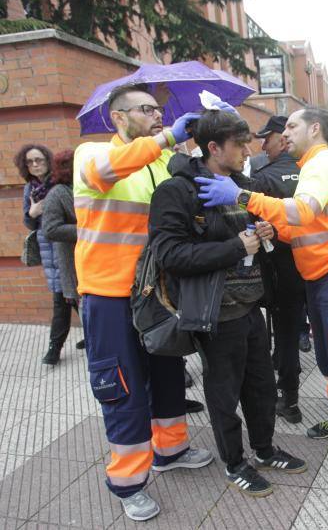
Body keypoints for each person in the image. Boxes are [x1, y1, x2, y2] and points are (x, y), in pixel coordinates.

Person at [195, 108, 328, 489]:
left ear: (314, 128)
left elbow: (304, 211)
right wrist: (277, 229)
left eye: (291, 126)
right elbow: (305, 224)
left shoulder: (321, 165)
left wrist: (242, 195)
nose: (284, 133)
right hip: (322, 281)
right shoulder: (310, 167)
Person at [73, 82, 212, 521]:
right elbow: (107, 171)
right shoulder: (92, 155)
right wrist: (167, 138)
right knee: (124, 387)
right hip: (108, 295)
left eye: (160, 110)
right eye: (147, 109)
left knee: (168, 370)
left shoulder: (161, 163)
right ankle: (128, 482)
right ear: (118, 117)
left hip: (154, 292)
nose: (158, 115)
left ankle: (171, 449)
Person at [150, 109, 306, 497]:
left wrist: (265, 235)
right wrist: (234, 246)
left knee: (262, 387)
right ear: (213, 147)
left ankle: (265, 450)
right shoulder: (177, 191)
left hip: (253, 306)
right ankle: (235, 463)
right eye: (238, 145)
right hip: (215, 312)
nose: (246, 150)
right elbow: (171, 254)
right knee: (224, 393)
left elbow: (260, 236)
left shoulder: (243, 183)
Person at [251, 115, 306, 423]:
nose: (262, 145)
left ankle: (290, 399)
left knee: (284, 334)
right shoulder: (311, 172)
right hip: (315, 265)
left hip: (280, 270)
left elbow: (255, 225)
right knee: (306, 329)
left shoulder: (263, 177)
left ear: (282, 138)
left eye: (266, 138)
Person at [17, 144, 77, 365]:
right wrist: (31, 213)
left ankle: (61, 344)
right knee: (63, 294)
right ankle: (57, 345)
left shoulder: (59, 184)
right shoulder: (29, 189)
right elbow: (29, 222)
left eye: (39, 160)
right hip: (47, 245)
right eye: (30, 162)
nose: (35, 165)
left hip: (66, 244)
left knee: (69, 293)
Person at [40, 148, 84, 363]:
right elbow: (50, 229)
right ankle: (55, 349)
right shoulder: (58, 194)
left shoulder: (86, 187)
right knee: (76, 303)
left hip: (94, 258)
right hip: (72, 261)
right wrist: (84, 229)